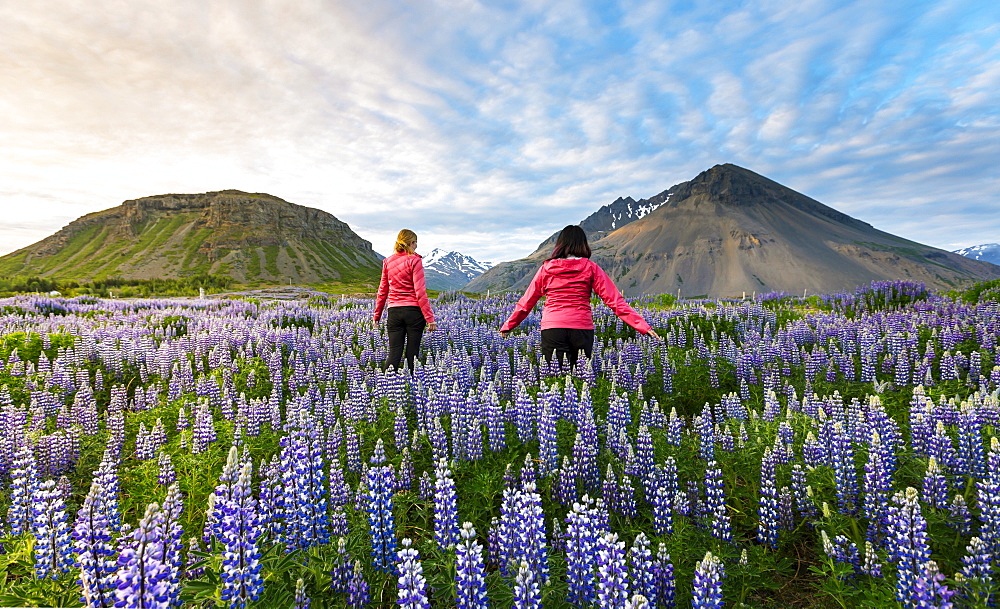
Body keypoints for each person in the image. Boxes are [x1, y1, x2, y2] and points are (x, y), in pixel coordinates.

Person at [500, 225, 660, 367]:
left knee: (557, 382)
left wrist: (508, 325)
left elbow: (527, 302)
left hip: (553, 327)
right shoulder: (591, 268)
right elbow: (615, 301)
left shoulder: (546, 268)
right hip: (581, 328)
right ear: (583, 244)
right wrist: (642, 326)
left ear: (560, 244)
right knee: (581, 381)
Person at [373, 229, 437, 371]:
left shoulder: (387, 262)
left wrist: (377, 315)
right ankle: (413, 387)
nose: (416, 246)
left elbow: (382, 291)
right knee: (412, 353)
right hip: (414, 312)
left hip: (394, 312)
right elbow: (420, 292)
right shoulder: (415, 260)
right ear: (410, 243)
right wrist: (429, 318)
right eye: (415, 243)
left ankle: (386, 386)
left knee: (394, 352)